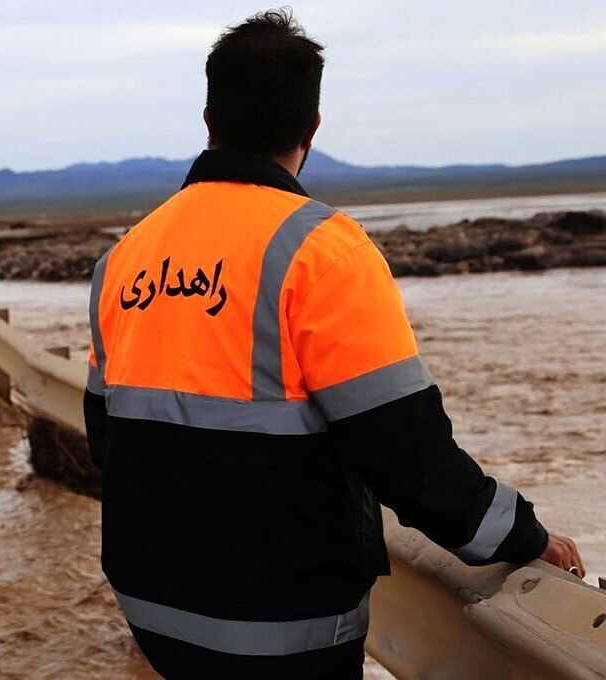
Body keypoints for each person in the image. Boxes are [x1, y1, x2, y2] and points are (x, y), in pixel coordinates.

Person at [82, 10, 584, 679]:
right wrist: (524, 536)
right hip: (284, 629)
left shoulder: (125, 258)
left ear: (208, 119)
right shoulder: (321, 249)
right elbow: (409, 456)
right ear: (311, 128)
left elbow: (105, 434)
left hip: (154, 610)